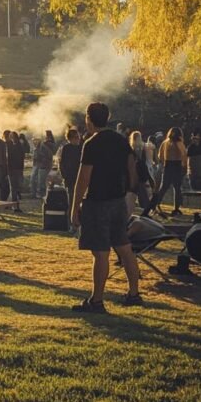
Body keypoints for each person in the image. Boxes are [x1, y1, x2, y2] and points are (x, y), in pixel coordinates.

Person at [70, 102, 142, 313]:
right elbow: (131, 167)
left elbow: (83, 179)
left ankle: (97, 300)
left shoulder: (91, 144)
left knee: (100, 253)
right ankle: (134, 293)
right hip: (118, 201)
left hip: (97, 202)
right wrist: (130, 191)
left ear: (88, 119)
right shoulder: (121, 140)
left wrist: (75, 208)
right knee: (124, 248)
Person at [155, 127, 187, 217]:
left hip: (168, 165)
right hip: (176, 165)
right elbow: (184, 155)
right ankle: (176, 208)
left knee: (165, 186)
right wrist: (184, 167)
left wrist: (163, 162)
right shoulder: (180, 143)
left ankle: (156, 203)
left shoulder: (165, 142)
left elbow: (160, 155)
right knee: (176, 188)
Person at [126, 131, 154, 213]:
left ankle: (144, 205)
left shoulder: (133, 147)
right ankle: (145, 205)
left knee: (138, 189)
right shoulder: (141, 147)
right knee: (140, 188)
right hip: (140, 169)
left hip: (137, 169)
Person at [58, 128, 82, 209]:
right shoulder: (66, 148)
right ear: (71, 138)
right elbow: (62, 164)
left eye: (78, 137)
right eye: (76, 137)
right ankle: (71, 220)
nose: (79, 139)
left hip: (79, 177)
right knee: (72, 201)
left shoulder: (80, 147)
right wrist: (65, 176)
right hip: (71, 178)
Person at [31, 131, 56, 198]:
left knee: (42, 181)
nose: (34, 142)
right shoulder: (39, 146)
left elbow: (47, 156)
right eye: (33, 140)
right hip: (40, 165)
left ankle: (42, 194)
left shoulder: (44, 146)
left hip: (43, 166)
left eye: (36, 140)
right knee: (38, 180)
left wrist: (39, 158)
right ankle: (37, 193)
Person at [5, 131, 24, 209]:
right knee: (14, 188)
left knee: (13, 188)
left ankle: (12, 205)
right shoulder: (20, 146)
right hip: (17, 169)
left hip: (13, 169)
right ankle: (13, 205)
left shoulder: (11, 147)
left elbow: (9, 159)